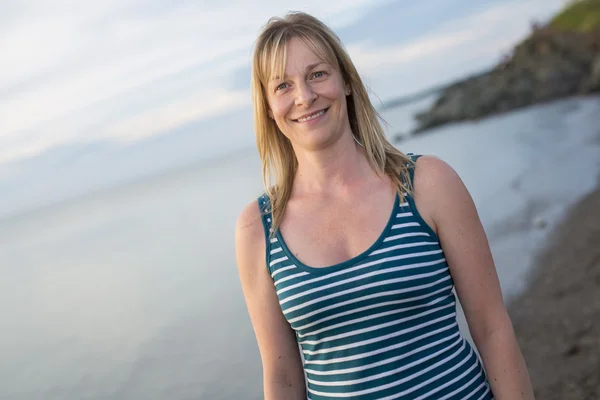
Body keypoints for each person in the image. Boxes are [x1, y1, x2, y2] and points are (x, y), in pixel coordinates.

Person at [235, 11, 534, 400]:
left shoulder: (428, 183)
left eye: (317, 74)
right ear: (269, 107)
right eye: (283, 85)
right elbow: (282, 378)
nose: (304, 97)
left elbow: (493, 329)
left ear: (345, 81)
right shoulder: (258, 229)